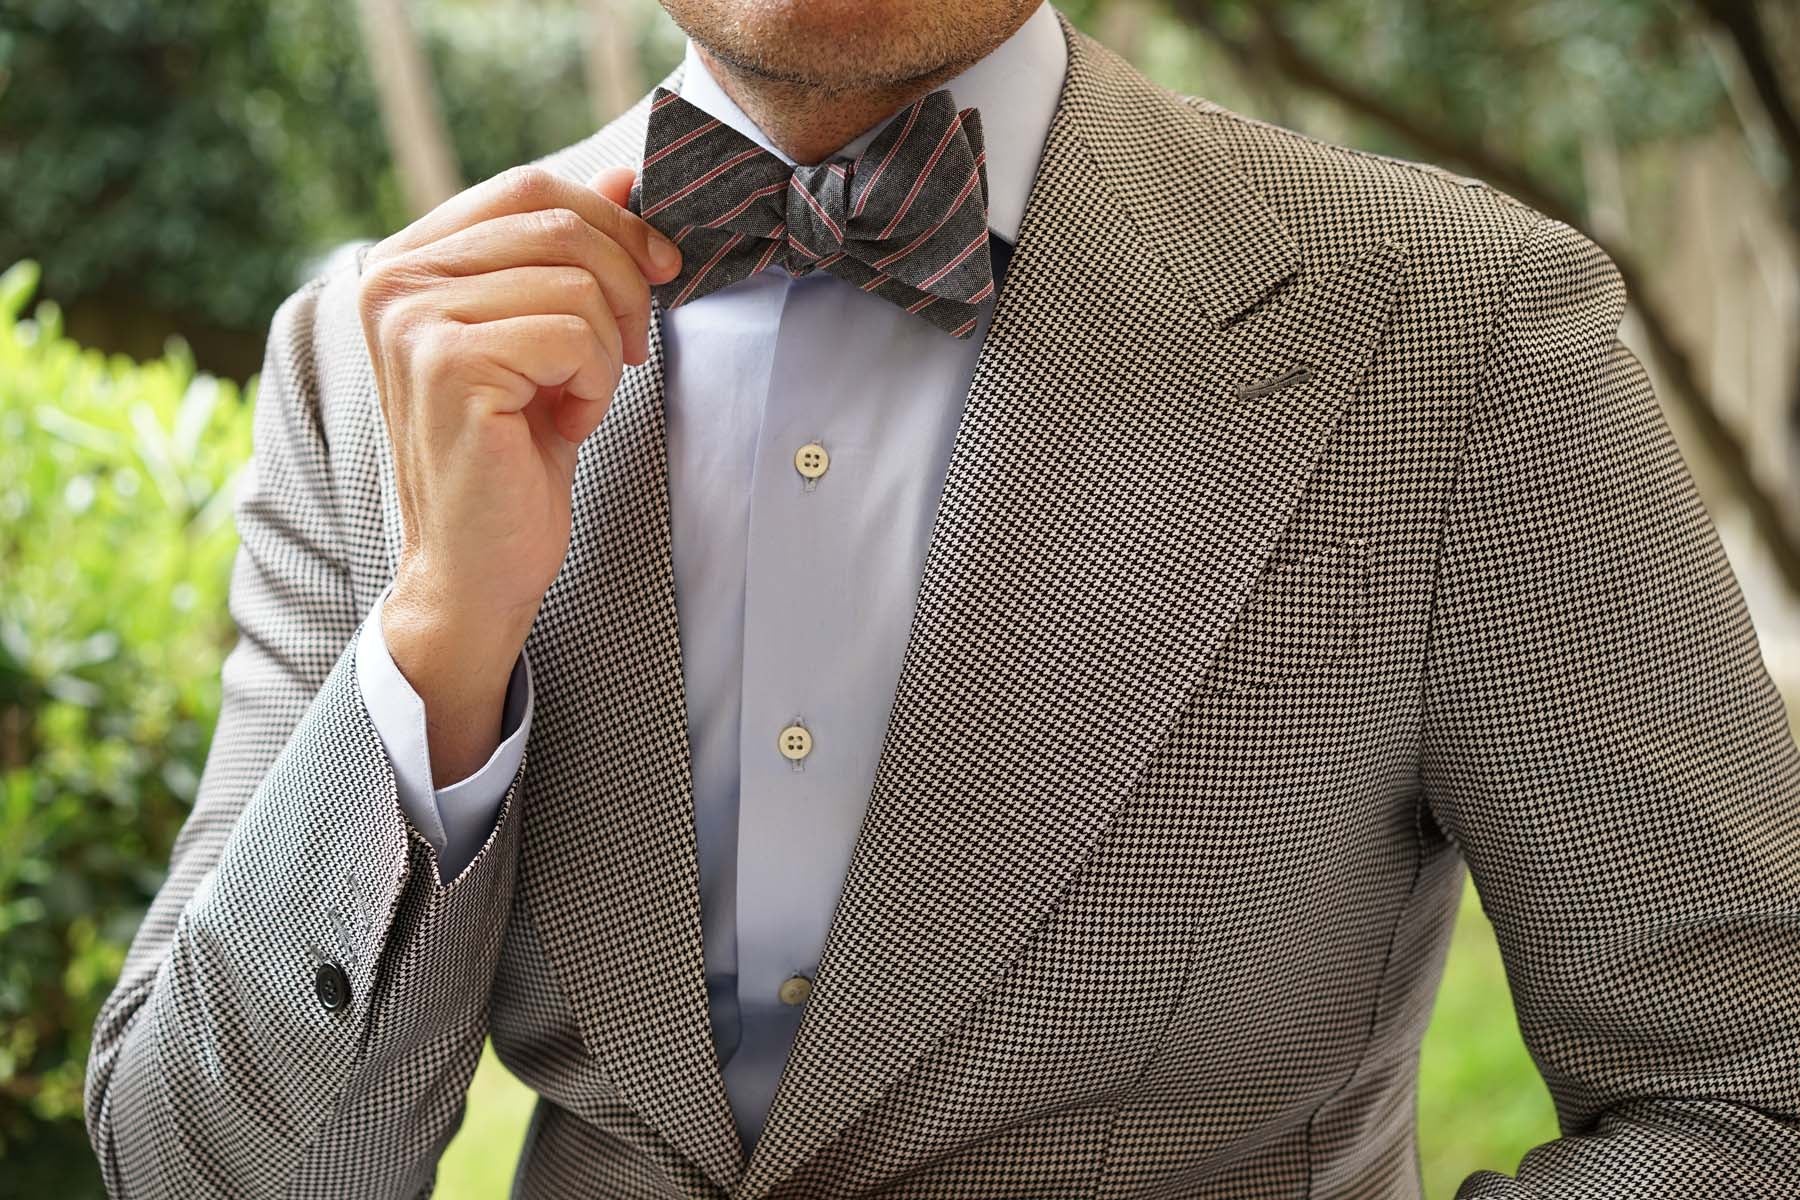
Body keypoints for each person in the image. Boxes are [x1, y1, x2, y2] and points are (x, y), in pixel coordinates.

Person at [85, 0, 1800, 1196]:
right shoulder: (361, 359)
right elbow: (201, 1174)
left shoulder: (1461, 330)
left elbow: (1751, 1097)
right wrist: (438, 643)